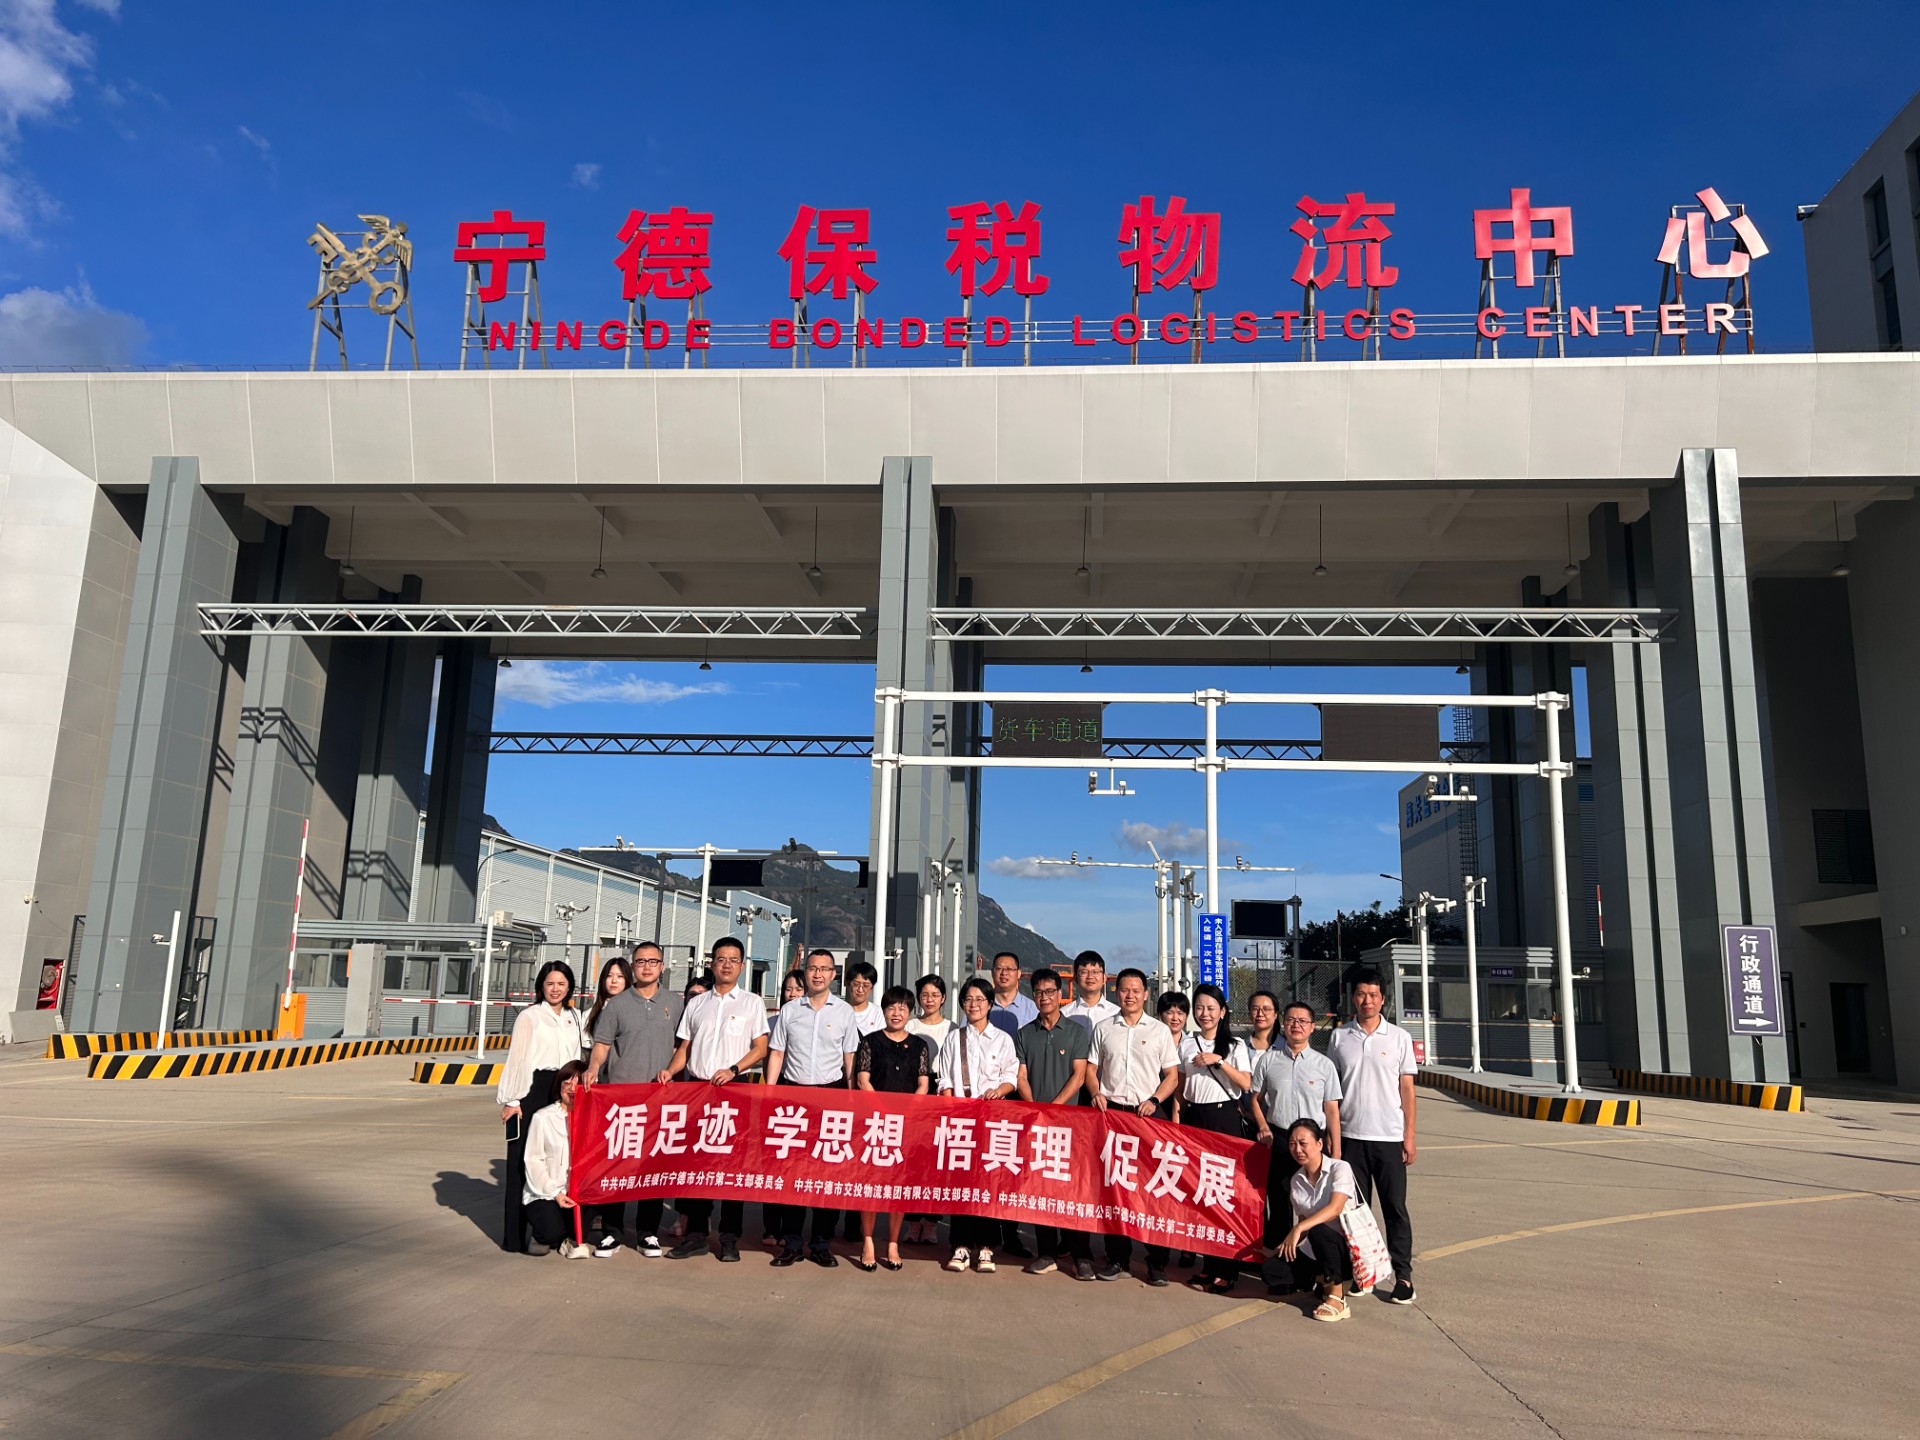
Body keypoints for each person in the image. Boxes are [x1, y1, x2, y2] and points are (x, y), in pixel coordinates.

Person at [663, 938, 770, 1263]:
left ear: (742, 966)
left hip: (734, 1089)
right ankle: (696, 1235)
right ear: (712, 963)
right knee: (697, 1165)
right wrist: (670, 1071)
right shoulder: (697, 1004)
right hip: (698, 1089)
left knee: (732, 1166)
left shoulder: (752, 1003)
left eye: (733, 960)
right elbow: (685, 1048)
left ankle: (729, 1237)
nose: (726, 964)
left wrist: (734, 1069)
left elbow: (761, 1047)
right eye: (721, 959)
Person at [584, 941, 683, 1258]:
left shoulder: (675, 1003)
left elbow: (684, 1045)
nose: (647, 967)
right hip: (622, 1100)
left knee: (653, 1166)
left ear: (662, 966)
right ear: (633, 966)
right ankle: (612, 1232)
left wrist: (671, 1070)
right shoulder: (617, 1005)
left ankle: (647, 1233)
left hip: (659, 1099)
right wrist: (593, 1068)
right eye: (641, 961)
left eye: (653, 961)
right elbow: (602, 1044)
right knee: (617, 1166)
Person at [1327, 966, 1418, 1304]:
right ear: (1353, 998)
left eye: (1373, 995)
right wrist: (1333, 1137)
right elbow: (1332, 1089)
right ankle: (1362, 1273)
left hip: (1389, 1138)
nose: (1367, 1000)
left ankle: (1403, 1276)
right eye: (1361, 994)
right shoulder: (1340, 1037)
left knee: (1395, 1208)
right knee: (1355, 1211)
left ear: (1382, 999)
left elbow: (1407, 1089)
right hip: (1351, 1138)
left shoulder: (1399, 1038)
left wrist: (1409, 1135)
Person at [1084, 968, 1179, 1286]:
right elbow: (1091, 1069)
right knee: (1116, 1189)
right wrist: (1096, 1092)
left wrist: (1155, 1099)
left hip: (1147, 1117)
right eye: (1125, 989)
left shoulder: (1159, 1031)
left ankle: (1157, 1262)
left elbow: (1172, 1076)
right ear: (1116, 992)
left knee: (1154, 1190)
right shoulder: (1104, 1028)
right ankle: (1117, 1258)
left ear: (1146, 994)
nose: (1130, 995)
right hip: (1113, 1115)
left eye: (1136, 990)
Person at [766, 947, 858, 1268]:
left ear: (834, 974)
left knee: (827, 1174)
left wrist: (851, 1099)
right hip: (793, 1096)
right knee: (793, 1172)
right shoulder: (790, 1010)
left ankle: (821, 1243)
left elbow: (849, 1058)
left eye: (824, 969)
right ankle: (792, 1243)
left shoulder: (844, 1012)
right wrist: (770, 1093)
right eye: (812, 968)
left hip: (832, 1096)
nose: (818, 974)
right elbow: (777, 1053)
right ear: (805, 973)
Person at [1250, 999, 1343, 1293]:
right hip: (1280, 1140)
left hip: (1313, 1146)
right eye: (1291, 1020)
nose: (1296, 1025)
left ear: (1312, 1027)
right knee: (1279, 1206)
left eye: (1303, 1021)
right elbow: (1255, 1098)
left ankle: (1321, 1272)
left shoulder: (1324, 1065)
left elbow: (1331, 1111)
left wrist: (1336, 1153)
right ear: (1283, 1024)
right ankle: (1283, 1273)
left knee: (1315, 1209)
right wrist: (1263, 1126)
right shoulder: (1269, 1060)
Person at [497, 960, 588, 1254]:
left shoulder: (575, 1017)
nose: (555, 989)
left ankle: (550, 1229)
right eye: (550, 984)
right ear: (541, 986)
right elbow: (518, 1058)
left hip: (566, 1087)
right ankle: (514, 1237)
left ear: (570, 987)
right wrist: (513, 1099)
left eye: (561, 984)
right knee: (521, 1161)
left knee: (561, 1157)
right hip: (534, 1089)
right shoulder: (530, 1016)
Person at [1014, 967, 1094, 1279]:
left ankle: (1081, 1255)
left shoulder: (1075, 1032)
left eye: (1050, 991)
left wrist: (1055, 1108)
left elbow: (1079, 1075)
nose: (1044, 997)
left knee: (1073, 1192)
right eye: (1038, 992)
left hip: (1069, 1125)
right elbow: (1021, 1075)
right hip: (1037, 1123)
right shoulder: (1025, 1034)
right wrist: (1036, 1109)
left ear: (1060, 994)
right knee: (1040, 1189)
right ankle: (1046, 1253)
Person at [1177, 983, 1254, 1295]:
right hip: (1195, 1120)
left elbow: (1246, 1083)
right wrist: (1177, 1123)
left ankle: (1227, 1270)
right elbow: (1180, 1088)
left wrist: (1218, 1061)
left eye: (1211, 1008)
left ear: (1223, 1012)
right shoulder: (1186, 1043)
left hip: (1224, 1120)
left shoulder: (1235, 1045)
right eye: (1199, 1007)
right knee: (1200, 1196)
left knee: (1223, 1195)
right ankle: (1208, 1265)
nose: (1204, 1013)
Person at [938, 977, 1017, 1275]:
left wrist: (1000, 1091)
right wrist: (951, 1109)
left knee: (989, 1183)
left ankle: (986, 1246)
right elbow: (944, 1078)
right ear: (962, 1004)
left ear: (990, 1004)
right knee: (962, 1182)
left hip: (993, 1122)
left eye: (980, 999)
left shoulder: (1003, 1039)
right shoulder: (954, 1038)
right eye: (968, 1000)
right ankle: (960, 1245)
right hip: (961, 1120)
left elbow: (1011, 1076)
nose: (974, 1005)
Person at [853, 985, 931, 1271]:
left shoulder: (919, 1045)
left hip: (906, 1125)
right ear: (883, 1010)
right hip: (875, 1124)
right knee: (872, 1184)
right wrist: (883, 1112)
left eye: (902, 1008)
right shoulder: (870, 1042)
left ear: (910, 1012)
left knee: (899, 1185)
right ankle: (868, 1241)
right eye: (891, 1007)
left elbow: (923, 1084)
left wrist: (907, 1113)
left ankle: (893, 1242)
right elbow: (863, 1080)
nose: (896, 1013)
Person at [1278, 1117, 1358, 1322]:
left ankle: (1337, 1296)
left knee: (1319, 1229)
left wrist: (1299, 1228)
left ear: (1319, 1144)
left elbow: (1335, 1209)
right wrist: (1284, 1245)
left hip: (1346, 1249)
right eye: (1292, 1144)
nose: (1297, 1149)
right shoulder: (1296, 1180)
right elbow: (1303, 1223)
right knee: (1272, 1272)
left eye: (1303, 1143)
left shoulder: (1340, 1168)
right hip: (1316, 1248)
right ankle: (1322, 1278)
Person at [522, 1059, 594, 1259]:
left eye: (578, 1084)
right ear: (559, 1086)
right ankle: (542, 1235)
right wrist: (554, 1192)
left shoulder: (592, 1117)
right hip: (546, 1192)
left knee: (581, 1231)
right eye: (567, 1083)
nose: (572, 1089)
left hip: (576, 1192)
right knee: (550, 1232)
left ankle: (568, 1238)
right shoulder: (543, 1118)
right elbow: (533, 1160)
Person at [902, 974, 953, 1246]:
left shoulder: (952, 1028)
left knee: (936, 1163)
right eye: (924, 995)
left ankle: (931, 1223)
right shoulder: (910, 1025)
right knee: (912, 1162)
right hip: (913, 1090)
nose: (929, 999)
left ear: (943, 998)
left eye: (935, 995)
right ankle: (912, 1223)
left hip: (940, 1091)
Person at [1062, 950, 1119, 1033]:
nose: (1090, 976)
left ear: (1104, 978)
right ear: (1075, 978)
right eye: (1084, 972)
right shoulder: (1064, 1014)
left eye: (1095, 972)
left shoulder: (1116, 1013)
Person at [986, 951, 1037, 1038]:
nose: (1004, 973)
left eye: (1009, 969)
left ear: (1019, 973)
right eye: (999, 968)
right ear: (992, 973)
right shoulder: (978, 1006)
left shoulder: (1033, 1010)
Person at [583, 956, 631, 1044]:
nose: (614, 981)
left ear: (627, 980)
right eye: (609, 976)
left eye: (620, 976)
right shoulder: (588, 1015)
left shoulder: (635, 1012)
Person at [845, 960, 885, 1037]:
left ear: (872, 987)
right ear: (848, 984)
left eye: (866, 985)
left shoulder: (877, 1013)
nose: (860, 990)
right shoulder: (839, 1010)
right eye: (856, 984)